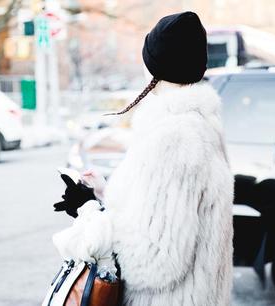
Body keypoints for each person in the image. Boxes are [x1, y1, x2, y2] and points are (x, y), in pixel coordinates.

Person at [52, 11, 234, 306]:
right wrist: (99, 195)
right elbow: (164, 217)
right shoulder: (199, 126)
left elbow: (155, 260)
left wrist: (89, 213)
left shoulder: (173, 138)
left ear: (153, 62)